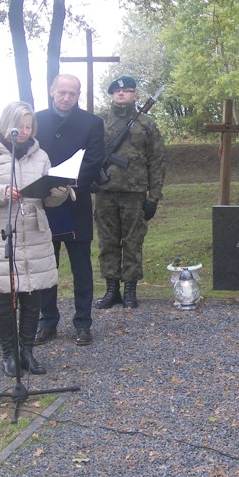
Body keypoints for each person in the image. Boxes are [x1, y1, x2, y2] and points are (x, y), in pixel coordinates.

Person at [0, 101, 70, 376]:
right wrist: (1, 192)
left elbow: (48, 198)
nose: (25, 131)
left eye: (29, 126)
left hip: (35, 233)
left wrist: (59, 192)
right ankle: (9, 355)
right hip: (2, 235)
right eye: (20, 126)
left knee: (32, 297)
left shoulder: (41, 155)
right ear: (7, 125)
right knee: (4, 299)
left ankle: (27, 351)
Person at [34, 74, 106, 347]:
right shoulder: (37, 120)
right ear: (52, 90)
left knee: (81, 268)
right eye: (62, 92)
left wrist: (67, 187)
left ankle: (83, 323)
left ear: (78, 95)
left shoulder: (92, 123)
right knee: (46, 266)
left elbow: (94, 160)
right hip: (43, 204)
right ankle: (47, 322)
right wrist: (44, 189)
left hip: (76, 202)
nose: (66, 98)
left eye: (72, 94)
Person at [93, 75, 166, 309]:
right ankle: (111, 289)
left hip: (134, 194)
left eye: (126, 91)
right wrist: (89, 178)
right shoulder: (100, 122)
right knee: (108, 242)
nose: (121, 94)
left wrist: (153, 197)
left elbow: (156, 162)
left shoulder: (146, 124)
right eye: (117, 91)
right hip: (105, 193)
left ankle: (130, 290)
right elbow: (89, 154)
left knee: (133, 242)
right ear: (112, 95)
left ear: (135, 95)